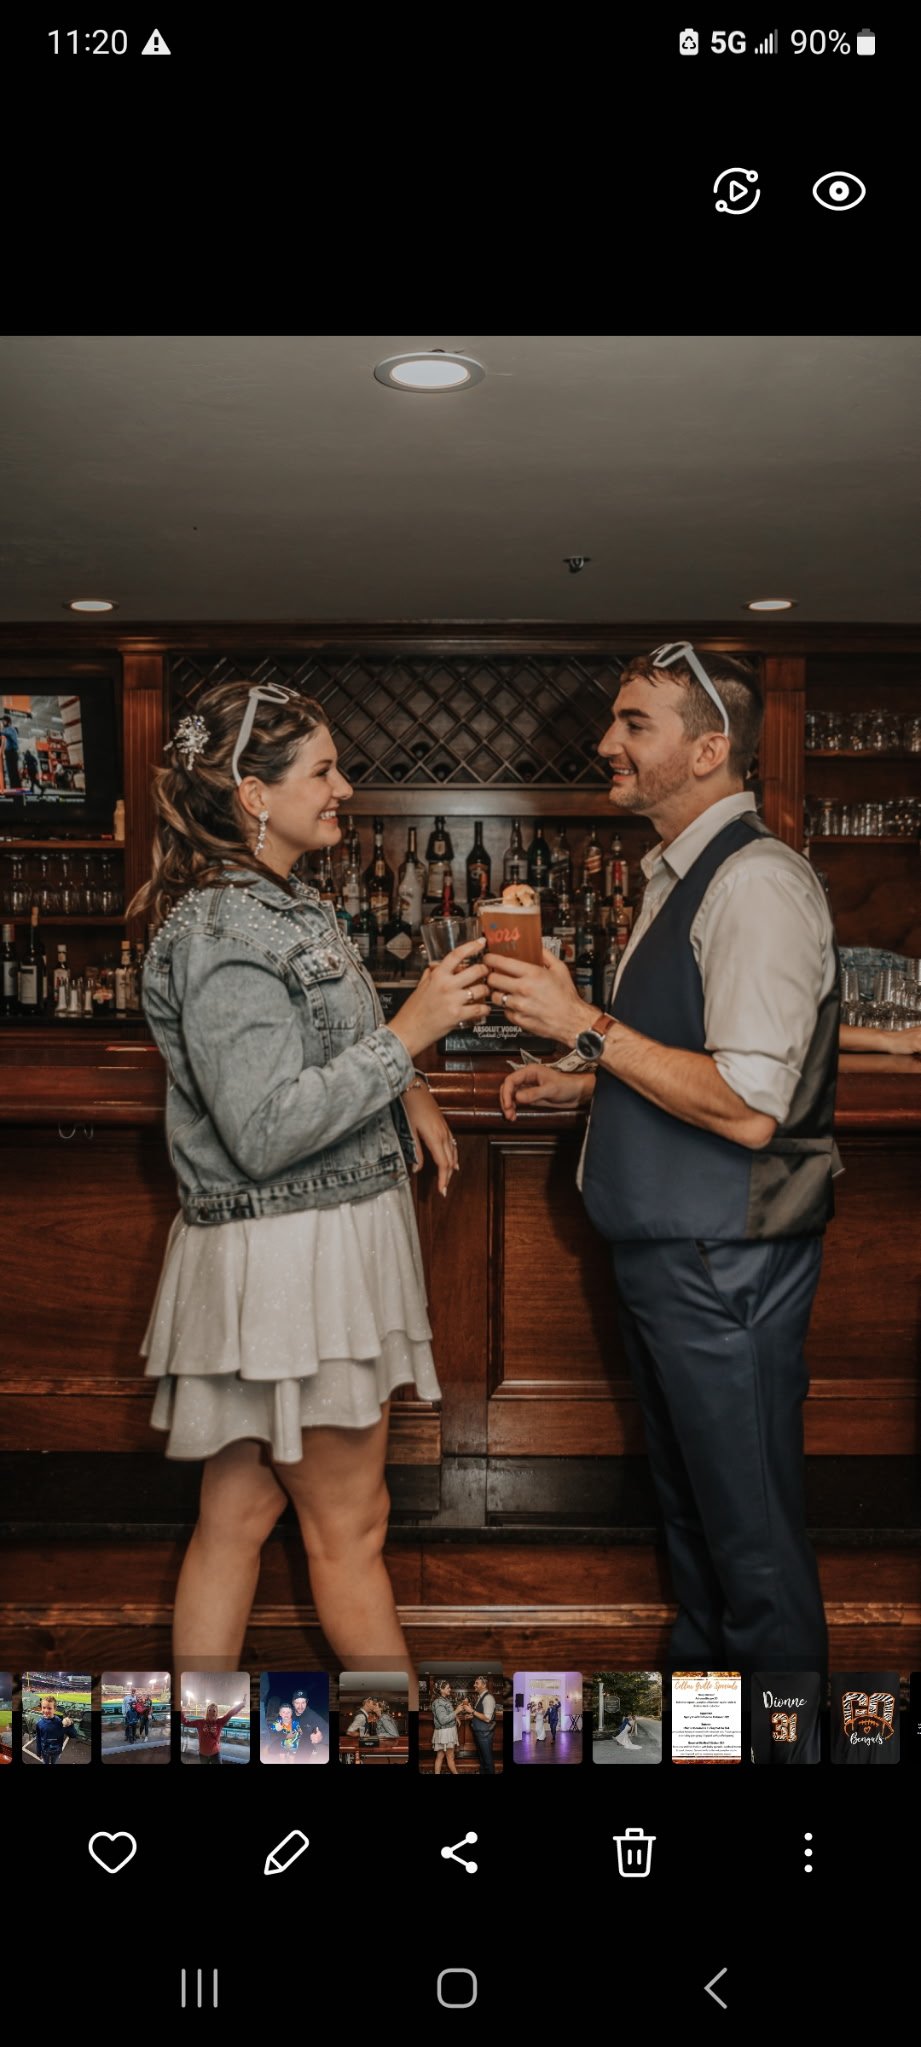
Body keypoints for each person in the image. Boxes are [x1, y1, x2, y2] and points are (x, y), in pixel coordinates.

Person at [131, 679, 490, 1697]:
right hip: (293, 1259)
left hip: (295, 1254)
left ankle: (196, 1736)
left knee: (238, 1514)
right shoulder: (219, 931)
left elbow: (315, 1046)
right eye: (322, 771)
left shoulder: (284, 902)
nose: (344, 787)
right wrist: (408, 1036)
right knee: (351, 1528)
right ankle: (425, 1749)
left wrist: (406, 1084)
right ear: (253, 795)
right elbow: (261, 1127)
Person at [494, 644, 839, 1677]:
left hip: (724, 1259)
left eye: (634, 723)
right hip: (678, 1256)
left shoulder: (756, 885)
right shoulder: (682, 873)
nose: (607, 741)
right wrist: (586, 1080)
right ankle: (709, 1749)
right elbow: (696, 1055)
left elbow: (746, 1106)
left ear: (708, 748)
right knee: (698, 1542)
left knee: (753, 1550)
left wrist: (584, 1027)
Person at [181, 1693, 247, 1765]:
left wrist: (241, 1704)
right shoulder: (200, 1722)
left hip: (215, 1754)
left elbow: (230, 1713)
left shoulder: (220, 1722)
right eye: (209, 1710)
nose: (211, 1712)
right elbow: (186, 1723)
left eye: (214, 1711)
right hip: (203, 1755)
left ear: (216, 1713)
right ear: (207, 1712)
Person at [464, 1675, 497, 1774]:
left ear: (484, 1685)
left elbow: (487, 1718)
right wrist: (472, 1716)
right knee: (482, 1759)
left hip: (485, 1734)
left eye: (476, 1683)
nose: (474, 1685)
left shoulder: (488, 1698)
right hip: (480, 1733)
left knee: (487, 1760)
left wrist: (472, 1711)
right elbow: (481, 1714)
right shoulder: (480, 1697)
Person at [33, 1695, 79, 1764]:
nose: (46, 1710)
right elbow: (38, 1738)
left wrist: (70, 1725)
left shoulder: (61, 1722)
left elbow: (74, 1735)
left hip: (56, 1752)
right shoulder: (39, 1723)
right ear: (41, 1708)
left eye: (49, 1708)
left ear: (55, 1709)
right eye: (44, 1707)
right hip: (44, 1751)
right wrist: (38, 1752)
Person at [431, 1678, 460, 1776]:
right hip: (445, 1732)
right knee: (450, 1757)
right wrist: (457, 1711)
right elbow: (443, 1720)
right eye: (448, 1688)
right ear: (441, 1690)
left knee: (440, 1756)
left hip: (446, 1731)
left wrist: (456, 1717)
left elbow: (448, 1713)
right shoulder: (439, 1702)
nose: (450, 1689)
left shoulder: (444, 1700)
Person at [1, 713, 21, 791]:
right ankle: (14, 790)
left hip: (12, 752)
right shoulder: (6, 729)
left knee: (13, 773)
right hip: (9, 753)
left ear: (8, 721)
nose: (2, 722)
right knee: (11, 772)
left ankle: (16, 791)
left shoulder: (10, 729)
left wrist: (1, 732)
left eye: (4, 721)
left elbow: (7, 734)